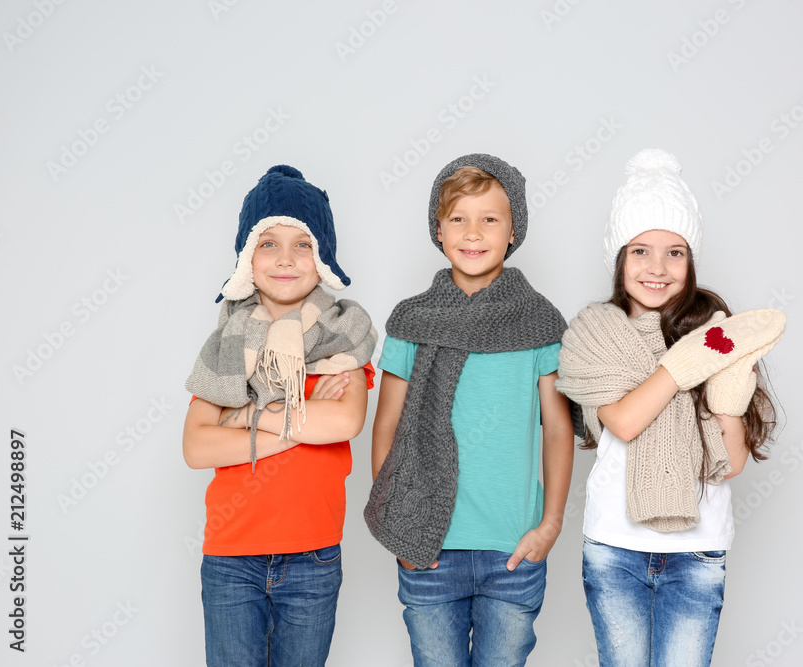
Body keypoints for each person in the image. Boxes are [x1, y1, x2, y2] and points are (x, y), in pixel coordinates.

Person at [555, 149, 786, 667]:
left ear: (691, 259)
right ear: (619, 258)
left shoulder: (718, 334)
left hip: (699, 548)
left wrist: (726, 389)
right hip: (614, 545)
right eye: (640, 251)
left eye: (674, 252)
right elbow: (624, 420)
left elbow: (732, 461)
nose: (657, 268)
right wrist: (691, 361)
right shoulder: (596, 331)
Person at [364, 153, 577, 666]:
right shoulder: (413, 320)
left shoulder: (539, 322)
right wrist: (400, 526)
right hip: (429, 545)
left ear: (512, 231)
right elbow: (387, 425)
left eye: (490, 218)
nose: (473, 232)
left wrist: (550, 524)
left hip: (513, 550)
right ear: (438, 231)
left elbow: (557, 430)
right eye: (458, 218)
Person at [182, 165, 377, 666]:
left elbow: (345, 423)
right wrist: (300, 422)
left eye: (303, 244)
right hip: (231, 557)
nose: (286, 259)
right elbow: (197, 447)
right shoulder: (227, 344)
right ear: (249, 259)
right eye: (269, 244)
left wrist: (245, 416)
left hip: (313, 556)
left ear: (323, 258)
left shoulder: (345, 338)